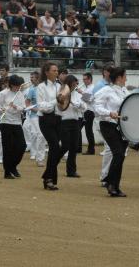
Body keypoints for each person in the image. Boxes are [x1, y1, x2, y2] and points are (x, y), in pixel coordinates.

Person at [93, 67, 129, 196]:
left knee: (121, 155)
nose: (126, 78)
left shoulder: (125, 91)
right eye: (125, 76)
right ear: (119, 78)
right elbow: (96, 108)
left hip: (122, 126)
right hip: (108, 124)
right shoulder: (106, 90)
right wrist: (109, 113)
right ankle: (111, 183)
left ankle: (114, 184)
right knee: (118, 153)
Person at [0, 74, 26, 179]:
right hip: (5, 122)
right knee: (7, 147)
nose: (18, 87)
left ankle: (13, 166)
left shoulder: (20, 94)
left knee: (21, 146)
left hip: (17, 122)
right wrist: (1, 111)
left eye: (19, 85)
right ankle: (7, 171)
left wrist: (16, 107)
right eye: (16, 85)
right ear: (11, 85)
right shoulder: (2, 94)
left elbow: (23, 107)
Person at [37, 62, 62, 190]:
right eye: (54, 70)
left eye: (57, 70)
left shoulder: (60, 86)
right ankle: (49, 178)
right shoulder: (41, 87)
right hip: (46, 119)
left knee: (55, 149)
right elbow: (42, 107)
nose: (56, 72)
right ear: (47, 72)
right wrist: (55, 101)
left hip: (58, 119)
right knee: (54, 147)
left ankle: (48, 177)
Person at [57, 75, 86, 177]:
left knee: (74, 147)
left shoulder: (77, 94)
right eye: (74, 84)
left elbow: (84, 107)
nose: (75, 86)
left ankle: (71, 171)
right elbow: (59, 105)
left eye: (76, 84)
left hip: (75, 121)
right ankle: (54, 161)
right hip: (63, 121)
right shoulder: (61, 92)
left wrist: (79, 105)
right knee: (65, 145)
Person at [24, 71, 45, 166]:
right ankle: (35, 154)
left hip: (43, 114)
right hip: (34, 115)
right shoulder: (31, 90)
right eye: (31, 77)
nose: (31, 79)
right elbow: (27, 102)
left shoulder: (43, 88)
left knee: (39, 135)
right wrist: (34, 109)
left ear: (38, 78)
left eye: (32, 77)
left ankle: (38, 154)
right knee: (37, 134)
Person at [80, 72, 95, 155]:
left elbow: (89, 99)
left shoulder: (92, 88)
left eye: (85, 79)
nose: (84, 81)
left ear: (89, 79)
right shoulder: (87, 88)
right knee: (86, 130)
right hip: (85, 111)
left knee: (88, 131)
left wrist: (81, 92)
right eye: (83, 79)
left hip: (89, 111)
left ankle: (91, 149)